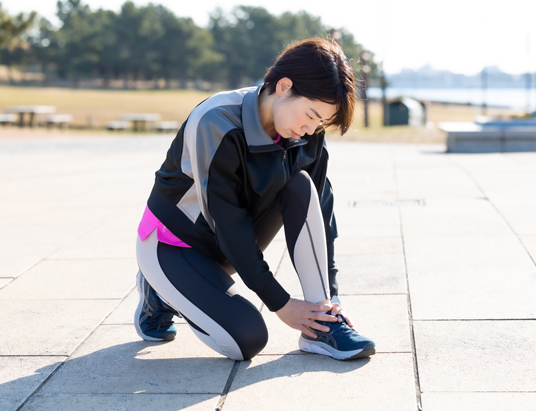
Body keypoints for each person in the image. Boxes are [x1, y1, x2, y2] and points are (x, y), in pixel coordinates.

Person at [134, 37, 375, 361]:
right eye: (311, 114)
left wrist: (329, 300)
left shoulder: (307, 134)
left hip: (229, 246)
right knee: (247, 339)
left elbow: (320, 212)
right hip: (174, 246)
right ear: (284, 86)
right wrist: (282, 304)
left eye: (321, 122)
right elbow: (228, 224)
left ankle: (323, 329)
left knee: (301, 186)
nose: (311, 128)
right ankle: (159, 294)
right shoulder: (216, 121)